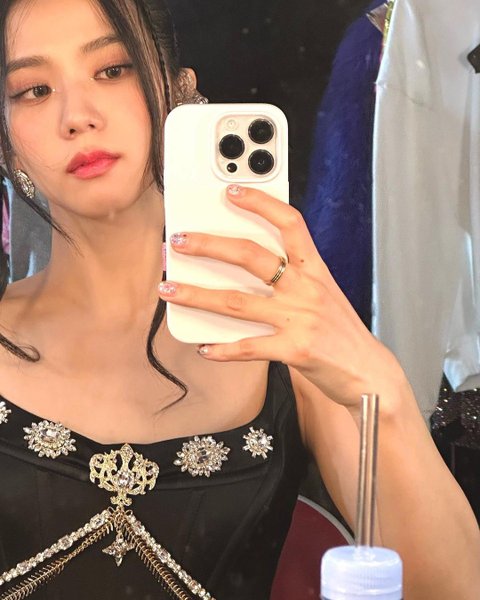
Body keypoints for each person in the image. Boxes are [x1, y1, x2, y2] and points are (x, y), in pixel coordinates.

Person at [0, 1, 478, 599]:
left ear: (179, 92)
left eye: (113, 70)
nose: (77, 116)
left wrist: (379, 390)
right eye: (35, 90)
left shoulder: (287, 339)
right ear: (7, 144)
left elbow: (453, 588)